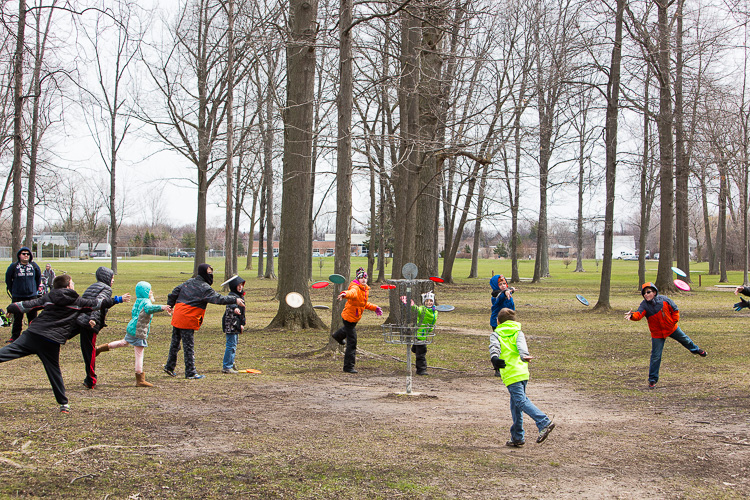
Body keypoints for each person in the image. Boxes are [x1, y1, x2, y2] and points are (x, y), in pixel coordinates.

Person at [0, 274, 130, 413]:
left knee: (7, 352)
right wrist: (118, 299)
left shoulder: (49, 297)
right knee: (54, 371)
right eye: (72, 282)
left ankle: (64, 403)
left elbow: (27, 305)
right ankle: (64, 404)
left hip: (33, 335)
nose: (73, 284)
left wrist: (10, 308)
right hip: (51, 341)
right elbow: (98, 304)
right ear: (68, 286)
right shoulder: (77, 301)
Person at [163, 264, 245, 379]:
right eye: (209, 273)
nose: (211, 275)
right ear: (203, 273)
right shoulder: (204, 288)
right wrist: (235, 299)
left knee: (175, 343)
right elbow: (218, 298)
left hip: (178, 314)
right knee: (188, 346)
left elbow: (175, 291)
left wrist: (171, 304)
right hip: (188, 317)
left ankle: (169, 367)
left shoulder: (189, 281)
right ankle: (190, 372)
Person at [490, 307, 555, 447]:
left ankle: (544, 422)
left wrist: (494, 358)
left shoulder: (496, 334)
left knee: (520, 401)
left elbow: (494, 348)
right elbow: (521, 348)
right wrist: (524, 357)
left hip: (511, 374)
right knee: (516, 405)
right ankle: (517, 436)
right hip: (522, 372)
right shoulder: (518, 332)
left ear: (498, 321)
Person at [625, 282, 707, 389]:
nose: (646, 295)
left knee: (686, 340)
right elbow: (639, 314)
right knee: (655, 357)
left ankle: (696, 350)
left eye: (648, 292)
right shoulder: (644, 305)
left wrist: (674, 321)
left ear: (654, 292)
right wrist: (632, 316)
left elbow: (675, 310)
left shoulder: (664, 300)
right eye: (644, 293)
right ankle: (652, 380)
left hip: (671, 328)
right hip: (657, 334)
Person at [95, 281, 172, 387]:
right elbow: (149, 309)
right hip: (138, 331)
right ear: (145, 292)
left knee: (124, 343)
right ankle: (140, 378)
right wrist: (162, 307)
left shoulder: (139, 300)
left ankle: (99, 349)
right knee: (139, 353)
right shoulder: (146, 302)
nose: (151, 292)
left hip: (132, 327)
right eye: (149, 290)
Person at [330, 267, 382, 373]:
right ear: (358, 279)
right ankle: (348, 367)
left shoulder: (365, 289)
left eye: (365, 278)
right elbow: (351, 293)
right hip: (349, 317)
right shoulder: (356, 288)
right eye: (361, 278)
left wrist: (374, 307)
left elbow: (363, 304)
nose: (363, 279)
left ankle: (337, 335)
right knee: (352, 341)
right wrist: (344, 294)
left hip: (354, 318)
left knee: (347, 330)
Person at [75, 267, 119, 389]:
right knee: (90, 351)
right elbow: (97, 303)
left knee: (87, 350)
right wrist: (93, 318)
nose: (113, 281)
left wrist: (117, 300)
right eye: (112, 278)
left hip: (81, 320)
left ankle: (89, 378)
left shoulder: (93, 286)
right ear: (107, 278)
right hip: (89, 323)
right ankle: (91, 379)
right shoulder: (106, 289)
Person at [5, 247, 42, 342]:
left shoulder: (34, 266)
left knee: (32, 318)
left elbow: (38, 279)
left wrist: (34, 290)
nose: (26, 255)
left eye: (28, 254)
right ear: (19, 255)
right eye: (23, 254)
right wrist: (14, 291)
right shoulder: (13, 267)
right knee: (17, 318)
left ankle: (33, 336)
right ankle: (15, 336)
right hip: (18, 296)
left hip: (31, 296)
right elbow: (8, 280)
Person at [401, 291, 438, 376]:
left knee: (418, 349)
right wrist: (411, 304)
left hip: (425, 333)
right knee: (421, 353)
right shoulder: (422, 309)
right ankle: (421, 369)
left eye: (431, 301)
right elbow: (416, 309)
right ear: (424, 302)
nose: (429, 303)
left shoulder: (434, 310)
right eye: (427, 301)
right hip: (420, 334)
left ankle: (414, 347)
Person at [220, 275, 246, 374]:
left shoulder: (240, 296)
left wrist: (242, 324)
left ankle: (231, 362)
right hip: (230, 325)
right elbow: (231, 304)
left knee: (234, 344)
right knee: (231, 345)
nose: (240, 287)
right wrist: (235, 308)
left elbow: (243, 313)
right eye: (238, 285)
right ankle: (227, 366)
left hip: (236, 325)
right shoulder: (231, 296)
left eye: (241, 285)